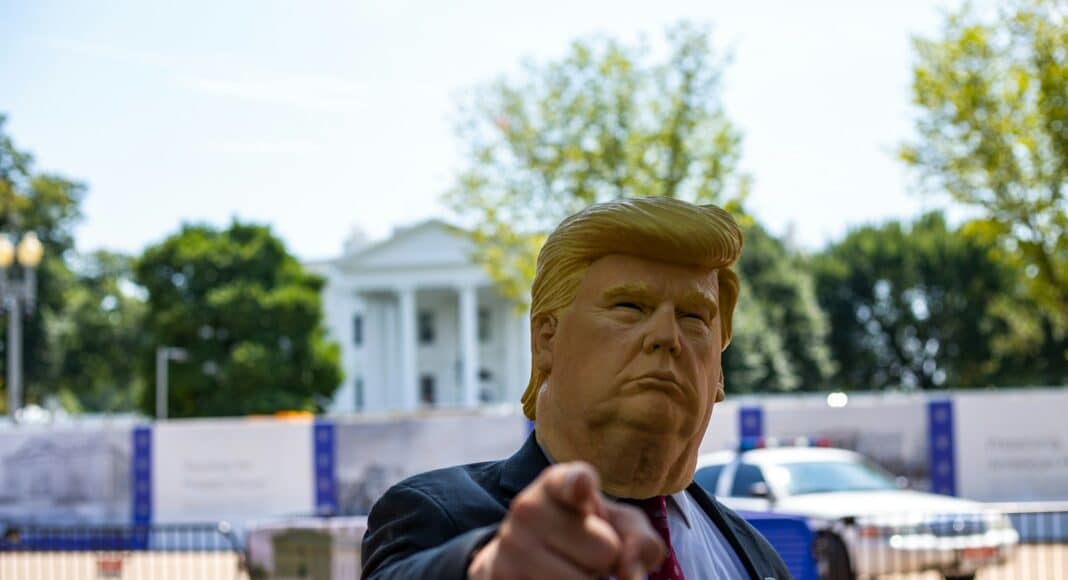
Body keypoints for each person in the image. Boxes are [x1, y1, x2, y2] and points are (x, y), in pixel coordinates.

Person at [361, 197, 791, 580]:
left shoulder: (754, 555)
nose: (666, 335)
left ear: (718, 372)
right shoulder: (437, 517)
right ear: (546, 340)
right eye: (630, 306)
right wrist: (485, 571)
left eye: (694, 316)